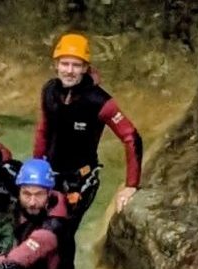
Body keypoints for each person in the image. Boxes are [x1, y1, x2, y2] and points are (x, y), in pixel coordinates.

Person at [34, 32, 141, 228]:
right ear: (56, 65)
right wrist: (35, 168)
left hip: (80, 180)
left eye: (76, 65)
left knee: (60, 232)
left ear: (85, 68)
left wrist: (130, 185)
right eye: (65, 64)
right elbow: (43, 130)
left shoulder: (99, 101)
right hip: (51, 173)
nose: (69, 71)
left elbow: (131, 136)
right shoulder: (49, 90)